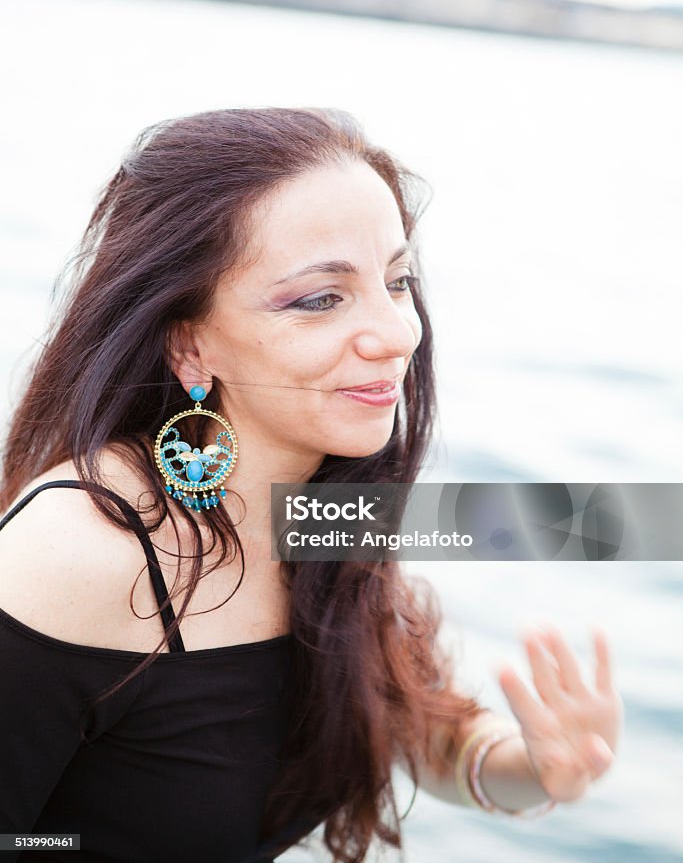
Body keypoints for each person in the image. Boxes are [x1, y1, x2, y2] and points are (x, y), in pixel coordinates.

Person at [0, 107, 623, 862]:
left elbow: (415, 722)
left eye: (397, 281)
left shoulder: (326, 508)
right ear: (189, 344)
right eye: (320, 299)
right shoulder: (82, 547)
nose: (396, 333)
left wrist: (535, 770)